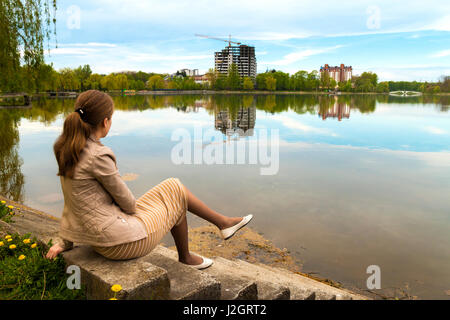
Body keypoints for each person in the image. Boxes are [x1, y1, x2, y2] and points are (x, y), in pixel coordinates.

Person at [45, 90, 253, 269]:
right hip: (119, 243)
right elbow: (127, 203)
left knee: (173, 185)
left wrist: (66, 242)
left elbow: (73, 201)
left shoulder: (67, 148)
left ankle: (222, 224)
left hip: (98, 236)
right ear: (105, 122)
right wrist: (140, 211)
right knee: (177, 198)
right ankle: (188, 256)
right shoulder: (98, 155)